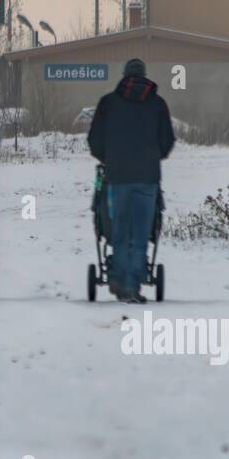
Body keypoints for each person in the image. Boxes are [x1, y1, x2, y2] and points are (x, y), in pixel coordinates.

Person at [87, 58, 175, 303]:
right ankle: (133, 286)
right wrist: (154, 157)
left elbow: (95, 140)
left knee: (120, 233)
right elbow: (167, 140)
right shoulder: (158, 104)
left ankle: (121, 281)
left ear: (124, 76)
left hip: (117, 178)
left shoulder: (108, 103)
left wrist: (109, 159)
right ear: (144, 76)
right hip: (147, 179)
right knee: (140, 233)